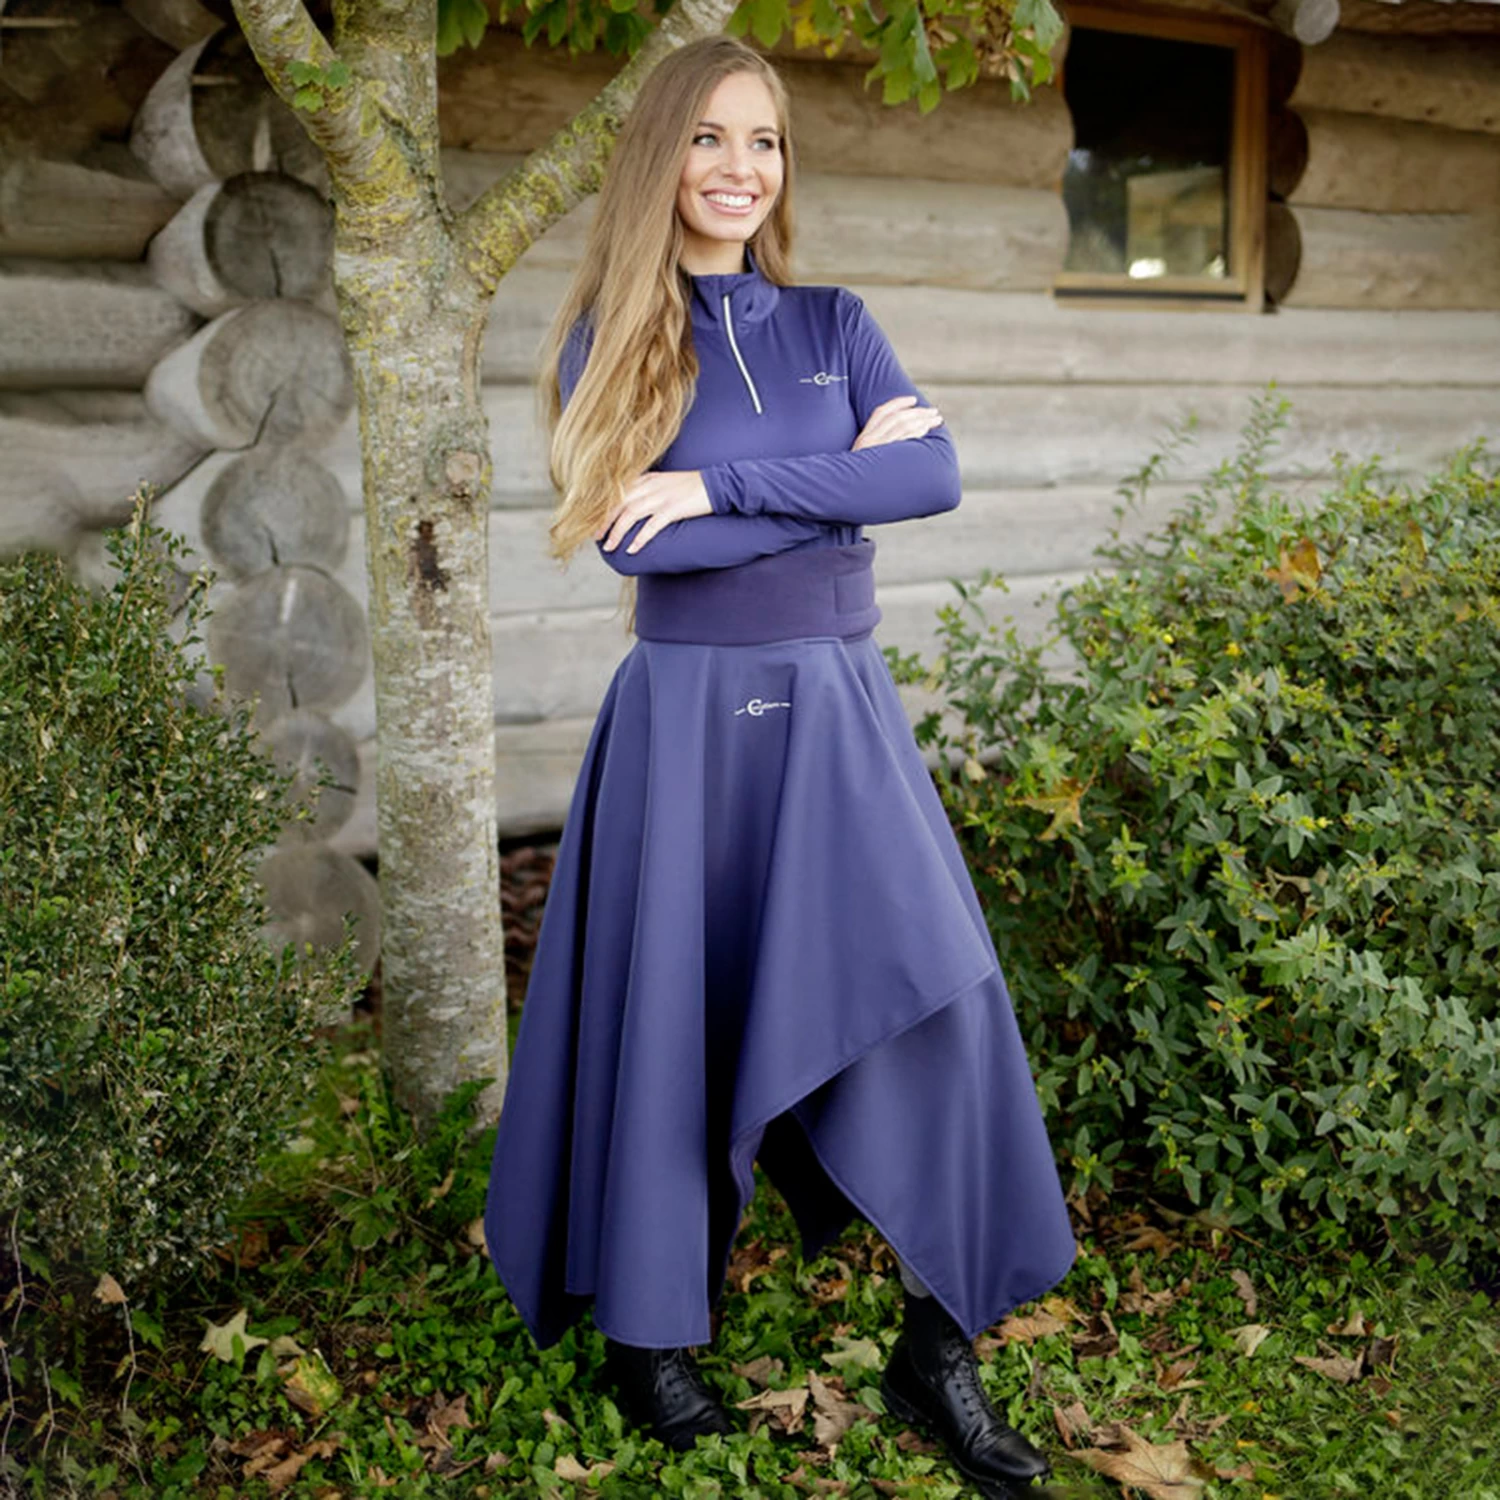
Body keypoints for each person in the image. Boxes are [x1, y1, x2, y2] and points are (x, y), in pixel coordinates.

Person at [483, 34, 1076, 1494]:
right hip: (688, 729)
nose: (739, 168)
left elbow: (932, 474)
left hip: (839, 714)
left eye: (763, 140)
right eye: (707, 137)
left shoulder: (835, 322)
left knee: (939, 998)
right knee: (675, 1022)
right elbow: (637, 544)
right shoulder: (610, 340)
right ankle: (650, 1337)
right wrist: (837, 498)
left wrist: (720, 485)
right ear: (659, 158)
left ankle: (936, 1345)